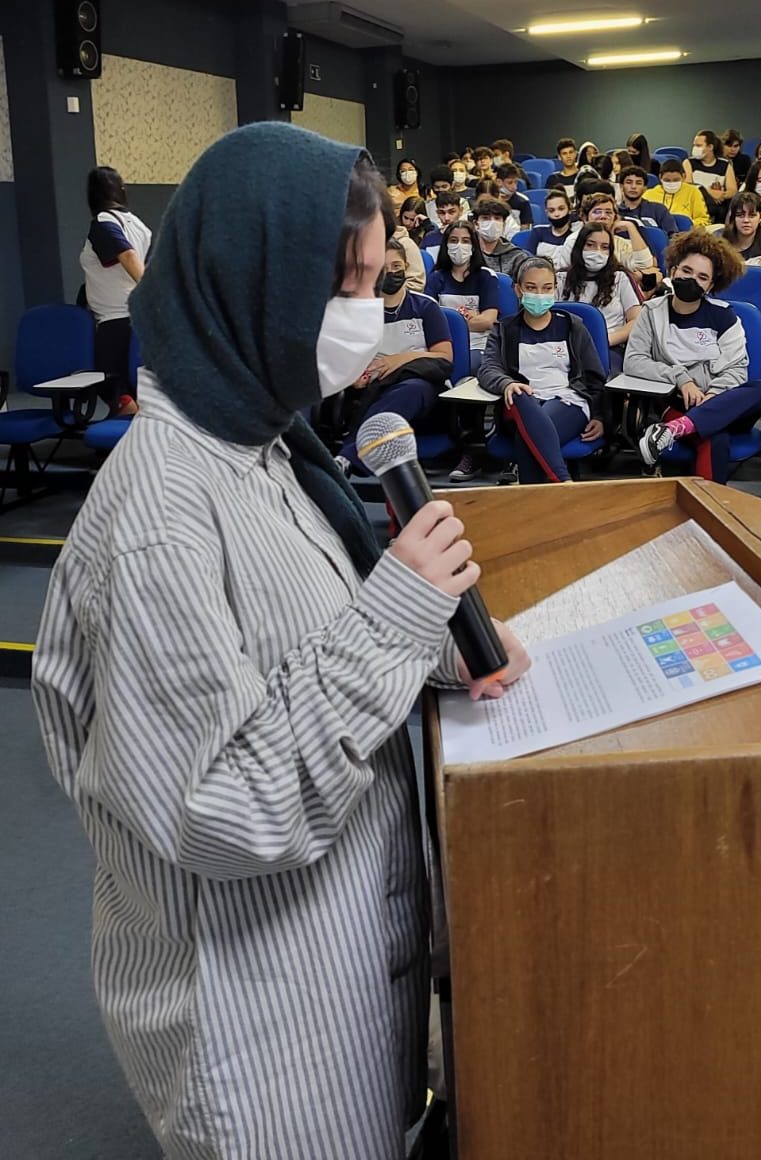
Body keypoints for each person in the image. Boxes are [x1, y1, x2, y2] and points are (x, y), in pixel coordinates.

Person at [32, 122, 530, 1160]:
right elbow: (224, 808)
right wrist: (398, 612)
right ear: (249, 282)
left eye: (376, 283)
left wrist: (435, 646)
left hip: (343, 966)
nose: (364, 314)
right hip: (261, 1031)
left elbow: (303, 646)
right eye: (344, 285)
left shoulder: (262, 445)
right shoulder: (162, 511)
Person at [628, 230, 761, 483]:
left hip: (722, 403)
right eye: (687, 271)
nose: (692, 280)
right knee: (715, 436)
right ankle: (710, 504)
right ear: (673, 270)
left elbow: (736, 370)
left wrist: (714, 395)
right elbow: (634, 361)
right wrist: (681, 378)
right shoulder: (651, 312)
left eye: (702, 277)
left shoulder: (724, 316)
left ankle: (673, 431)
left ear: (711, 285)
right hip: (676, 403)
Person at [478, 256, 607, 484]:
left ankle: (544, 490)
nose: (539, 294)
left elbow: (593, 376)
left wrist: (599, 416)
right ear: (518, 290)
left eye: (547, 288)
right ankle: (563, 482)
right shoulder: (505, 330)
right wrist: (506, 383)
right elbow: (488, 369)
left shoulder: (572, 326)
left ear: (555, 289)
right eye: (531, 287)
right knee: (521, 396)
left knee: (528, 438)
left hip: (567, 400)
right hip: (523, 402)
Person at [334, 238, 454, 476]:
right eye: (384, 268)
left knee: (410, 389)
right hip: (375, 386)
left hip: (422, 387)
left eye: (397, 266)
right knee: (384, 396)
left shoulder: (426, 307)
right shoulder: (361, 310)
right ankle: (350, 458)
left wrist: (399, 360)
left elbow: (444, 357)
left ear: (406, 267)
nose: (391, 273)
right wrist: (355, 376)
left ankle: (348, 457)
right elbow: (349, 358)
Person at [79, 165, 152, 416]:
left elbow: (128, 255)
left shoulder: (103, 221)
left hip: (115, 320)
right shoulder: (139, 225)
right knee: (129, 386)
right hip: (134, 317)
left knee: (110, 385)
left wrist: (150, 293)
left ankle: (135, 426)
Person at [560, 223, 642, 374]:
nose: (597, 252)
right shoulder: (561, 278)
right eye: (590, 245)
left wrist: (606, 340)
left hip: (609, 347)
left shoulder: (621, 278)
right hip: (566, 347)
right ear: (579, 247)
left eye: (605, 247)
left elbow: (636, 320)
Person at [425, 219, 500, 367]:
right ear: (446, 245)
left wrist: (449, 323)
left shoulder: (486, 276)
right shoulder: (436, 277)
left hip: (478, 343)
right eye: (454, 241)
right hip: (445, 344)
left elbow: (487, 321)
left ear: (473, 246)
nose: (459, 245)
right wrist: (471, 320)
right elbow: (428, 321)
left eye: (465, 241)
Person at [683, 129, 737, 222]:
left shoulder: (725, 165)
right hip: (695, 205)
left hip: (718, 208)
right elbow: (687, 185)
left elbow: (732, 190)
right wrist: (709, 193)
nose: (695, 148)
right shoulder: (688, 162)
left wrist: (720, 195)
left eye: (699, 145)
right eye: (694, 145)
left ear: (710, 147)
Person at [471, 198, 529, 278]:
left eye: (497, 218)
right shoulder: (467, 251)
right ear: (476, 224)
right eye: (486, 218)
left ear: (504, 224)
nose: (492, 223)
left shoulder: (517, 256)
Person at [644, 158, 710, 226]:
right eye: (667, 180)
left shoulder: (693, 191)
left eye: (676, 180)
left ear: (683, 177)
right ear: (660, 177)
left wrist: (687, 224)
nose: (671, 183)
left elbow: (703, 219)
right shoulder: (649, 195)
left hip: (687, 230)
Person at [618, 166, 678, 234]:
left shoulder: (659, 210)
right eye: (629, 182)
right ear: (621, 186)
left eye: (638, 183)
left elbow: (673, 236)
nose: (633, 187)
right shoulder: (615, 212)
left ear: (645, 188)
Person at [521, 189, 576, 257]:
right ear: (547, 213)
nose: (556, 214)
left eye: (561, 209)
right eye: (551, 210)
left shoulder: (575, 237)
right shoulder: (538, 232)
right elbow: (528, 258)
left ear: (569, 209)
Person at [420, 191, 466, 261]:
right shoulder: (429, 238)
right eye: (442, 213)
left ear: (461, 211)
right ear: (437, 213)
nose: (446, 218)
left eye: (451, 212)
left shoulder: (470, 236)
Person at [495, 163, 535, 231]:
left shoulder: (523, 201)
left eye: (516, 182)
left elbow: (525, 231)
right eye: (510, 183)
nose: (514, 187)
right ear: (499, 182)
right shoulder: (491, 199)